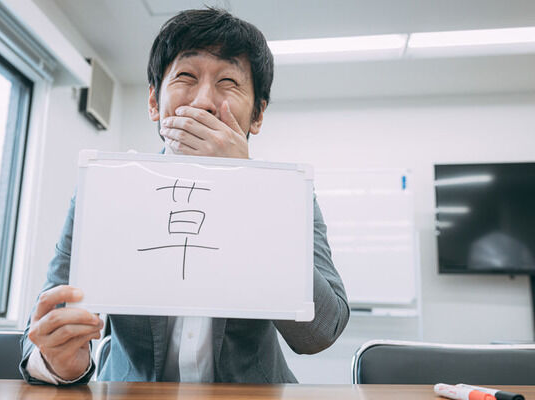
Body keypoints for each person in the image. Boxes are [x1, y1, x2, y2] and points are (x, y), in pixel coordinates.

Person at [20, 8, 349, 384]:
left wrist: (248, 190)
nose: (203, 101)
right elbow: (45, 319)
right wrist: (59, 362)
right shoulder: (106, 187)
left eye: (228, 81)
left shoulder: (289, 195)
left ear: (257, 115)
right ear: (153, 103)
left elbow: (320, 333)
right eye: (186, 77)